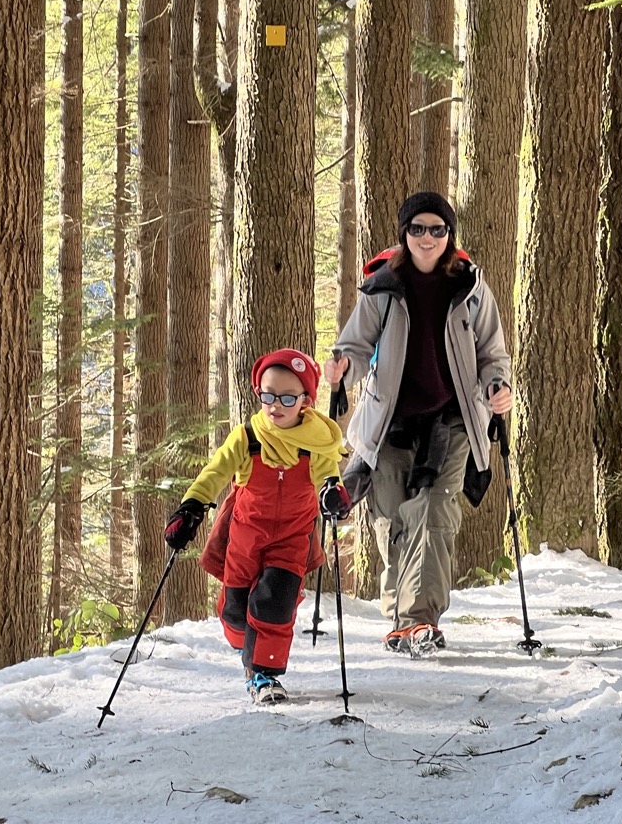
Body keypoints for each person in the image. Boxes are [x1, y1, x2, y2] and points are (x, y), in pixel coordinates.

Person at [324, 191, 513, 656]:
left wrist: (498, 385)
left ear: (449, 236)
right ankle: (400, 618)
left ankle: (419, 620)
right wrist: (341, 367)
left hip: (452, 419)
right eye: (417, 229)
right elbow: (353, 344)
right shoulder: (383, 287)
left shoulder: (469, 287)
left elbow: (493, 353)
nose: (427, 238)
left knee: (434, 512)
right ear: (404, 234)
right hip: (389, 422)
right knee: (391, 520)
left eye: (437, 229)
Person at [163, 348, 350, 704]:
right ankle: (245, 647)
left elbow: (329, 475)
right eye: (267, 395)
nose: (275, 405)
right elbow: (214, 472)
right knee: (236, 613)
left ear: (305, 401)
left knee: (273, 602)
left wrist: (332, 493)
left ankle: (264, 676)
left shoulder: (317, 444)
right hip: (245, 539)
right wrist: (191, 507)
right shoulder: (247, 437)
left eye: (287, 397)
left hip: (291, 539)